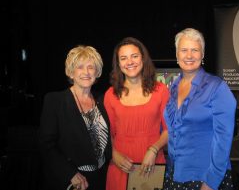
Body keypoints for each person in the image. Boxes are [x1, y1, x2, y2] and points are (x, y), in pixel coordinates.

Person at [163, 28, 237, 190]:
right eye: (184, 50)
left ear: (202, 55)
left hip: (205, 178)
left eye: (195, 50)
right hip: (175, 175)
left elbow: (223, 139)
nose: (189, 56)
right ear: (177, 55)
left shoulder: (217, 88)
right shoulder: (173, 87)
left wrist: (211, 181)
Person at [39, 45, 112, 190]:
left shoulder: (104, 100)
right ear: (71, 73)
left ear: (97, 72)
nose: (86, 72)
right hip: (73, 181)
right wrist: (70, 174)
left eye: (91, 67)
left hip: (103, 178)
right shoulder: (55, 101)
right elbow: (46, 145)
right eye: (80, 67)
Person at [104, 37, 169, 190]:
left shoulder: (161, 90)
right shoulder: (110, 95)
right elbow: (108, 135)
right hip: (121, 166)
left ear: (143, 58)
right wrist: (114, 155)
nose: (130, 62)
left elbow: (169, 130)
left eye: (134, 56)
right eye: (123, 58)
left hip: (152, 165)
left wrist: (154, 150)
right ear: (118, 64)